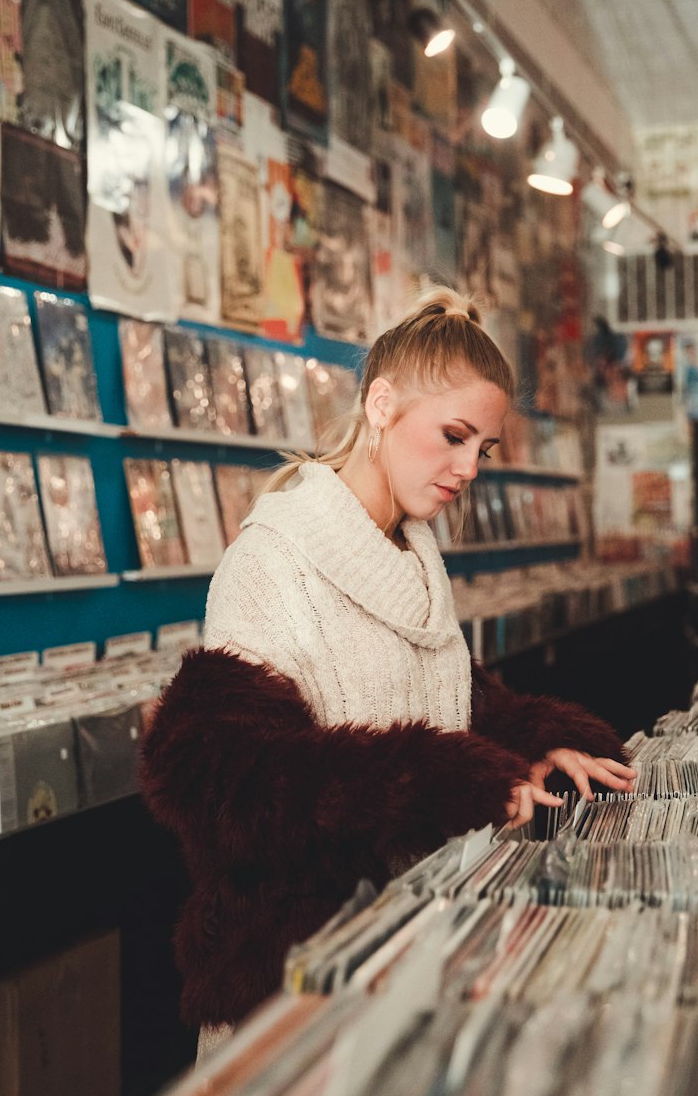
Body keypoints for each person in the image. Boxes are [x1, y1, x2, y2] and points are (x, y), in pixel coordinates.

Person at [140, 289, 636, 1055]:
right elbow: (229, 782)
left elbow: (442, 700)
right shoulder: (273, 559)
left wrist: (532, 740)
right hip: (297, 987)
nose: (468, 467)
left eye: (484, 449)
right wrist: (451, 781)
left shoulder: (413, 553)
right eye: (453, 435)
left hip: (410, 960)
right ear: (380, 405)